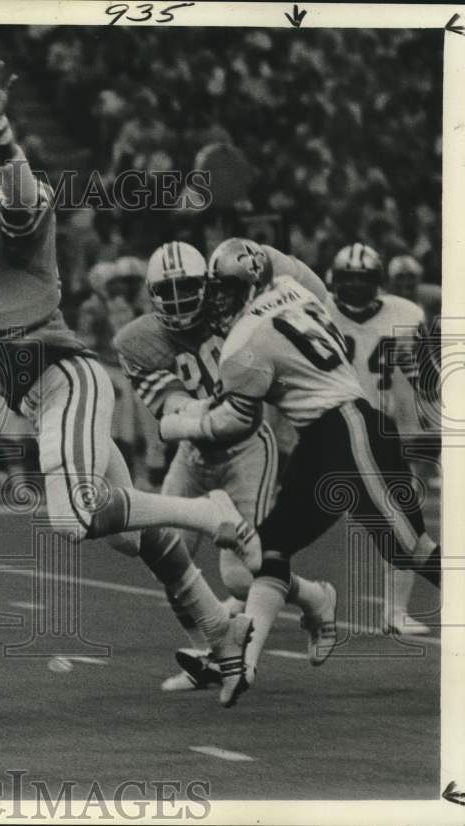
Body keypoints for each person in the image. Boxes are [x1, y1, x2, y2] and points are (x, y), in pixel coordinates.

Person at [0, 48, 259, 705]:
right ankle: (220, 631)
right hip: (39, 394)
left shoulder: (18, 216)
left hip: (64, 378)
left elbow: (15, 187)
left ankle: (207, 512)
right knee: (136, 540)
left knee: (73, 517)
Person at [157, 238, 441, 706]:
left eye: (227, 288)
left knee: (410, 547)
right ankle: (244, 665)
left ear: (248, 282)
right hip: (323, 439)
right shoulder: (297, 290)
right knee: (272, 547)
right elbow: (295, 272)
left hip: (351, 429)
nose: (219, 299)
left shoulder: (242, 341)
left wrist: (178, 424)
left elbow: (236, 423)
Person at [116, 241, 336, 692]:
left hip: (246, 450)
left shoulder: (241, 311)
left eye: (188, 288)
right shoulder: (137, 340)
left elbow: (305, 298)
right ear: (151, 293)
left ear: (210, 285)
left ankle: (316, 597)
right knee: (166, 556)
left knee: (239, 576)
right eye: (168, 291)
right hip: (194, 457)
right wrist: (188, 420)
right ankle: (211, 654)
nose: (178, 301)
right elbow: (173, 409)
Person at [325, 243, 432, 635]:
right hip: (328, 429)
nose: (354, 288)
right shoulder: (319, 311)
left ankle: (395, 611)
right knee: (287, 521)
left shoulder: (404, 314)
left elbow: (418, 370)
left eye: (363, 280)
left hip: (380, 433)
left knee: (404, 520)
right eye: (347, 279)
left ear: (378, 283)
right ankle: (248, 594)